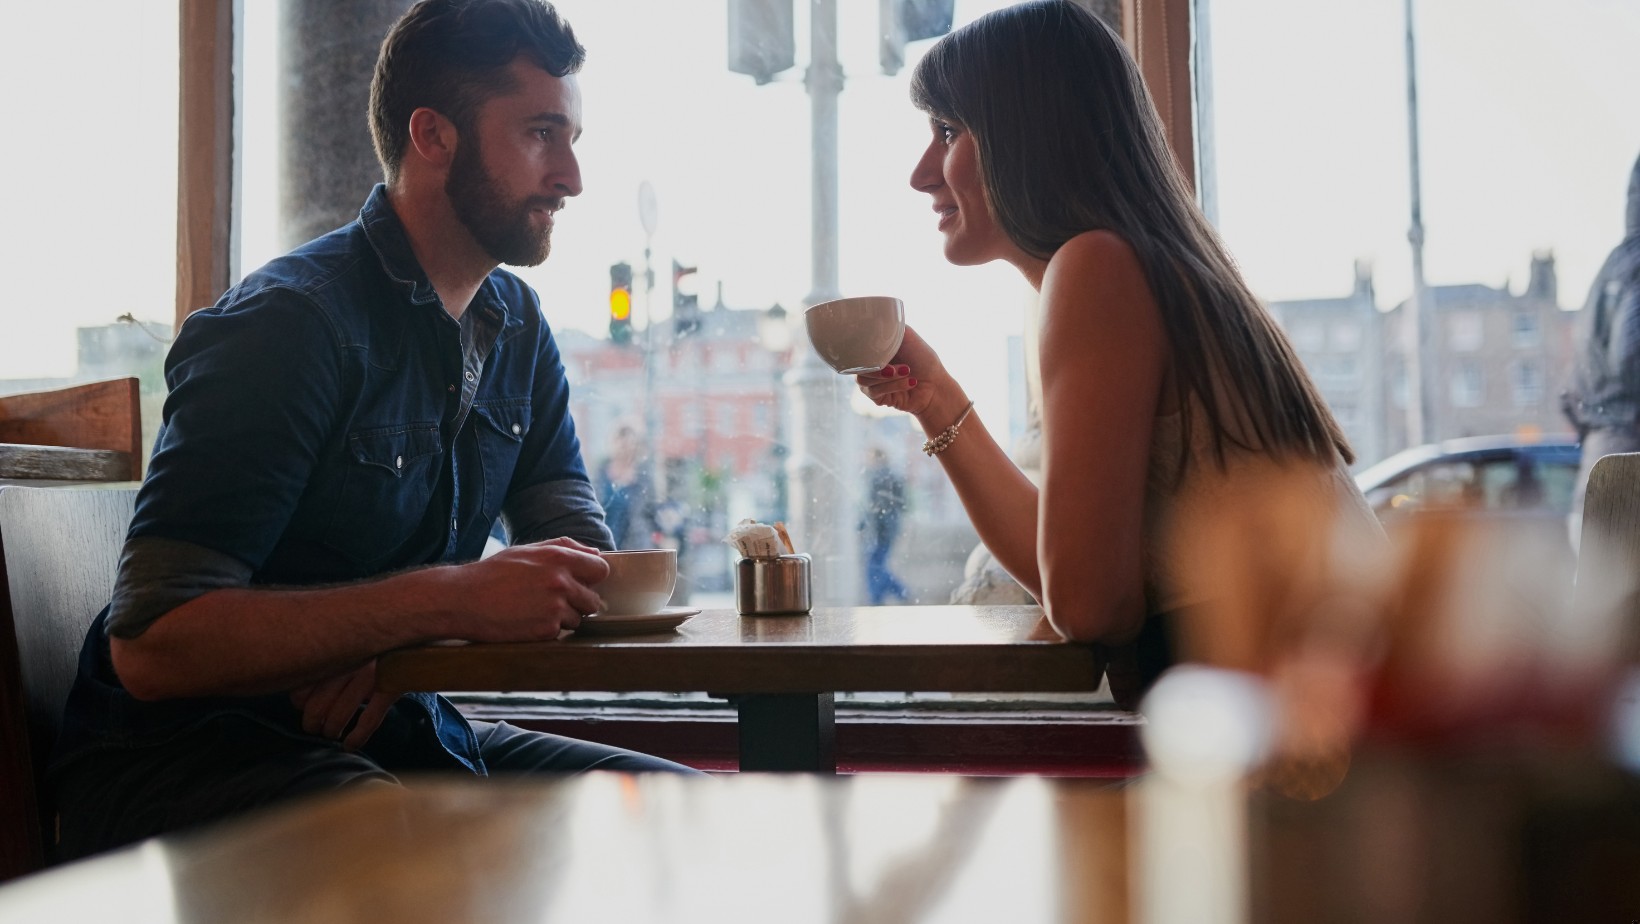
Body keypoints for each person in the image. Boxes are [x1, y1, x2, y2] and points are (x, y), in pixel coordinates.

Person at [48, 0, 695, 862]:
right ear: (433, 136)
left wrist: (398, 646)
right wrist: (444, 602)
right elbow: (154, 647)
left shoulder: (518, 324)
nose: (571, 176)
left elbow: (574, 550)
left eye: (572, 136)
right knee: (396, 834)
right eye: (542, 133)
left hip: (397, 727)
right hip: (182, 761)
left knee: (686, 812)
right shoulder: (290, 327)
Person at [854, 0, 1380, 708]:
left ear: (1028, 134)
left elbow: (1091, 606)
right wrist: (935, 398)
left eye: (948, 131)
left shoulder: (1097, 269)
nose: (922, 173)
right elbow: (1076, 573)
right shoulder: (1136, 265)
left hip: (1314, 748)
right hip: (1332, 724)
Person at [1562, 151, 1640, 550]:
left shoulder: (1613, 266)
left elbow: (1571, 393)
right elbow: (1630, 358)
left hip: (1598, 478)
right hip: (1630, 484)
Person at [859, 447, 910, 605]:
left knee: (874, 566)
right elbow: (901, 506)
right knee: (877, 565)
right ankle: (897, 593)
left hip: (880, 531)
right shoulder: (892, 477)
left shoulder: (878, 477)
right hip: (887, 529)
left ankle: (883, 597)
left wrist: (863, 527)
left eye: (870, 457)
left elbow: (875, 509)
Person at [595, 424, 654, 550]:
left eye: (630, 443)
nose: (625, 447)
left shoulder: (643, 477)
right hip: (603, 543)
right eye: (622, 441)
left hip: (635, 547)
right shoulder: (601, 473)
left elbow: (651, 513)